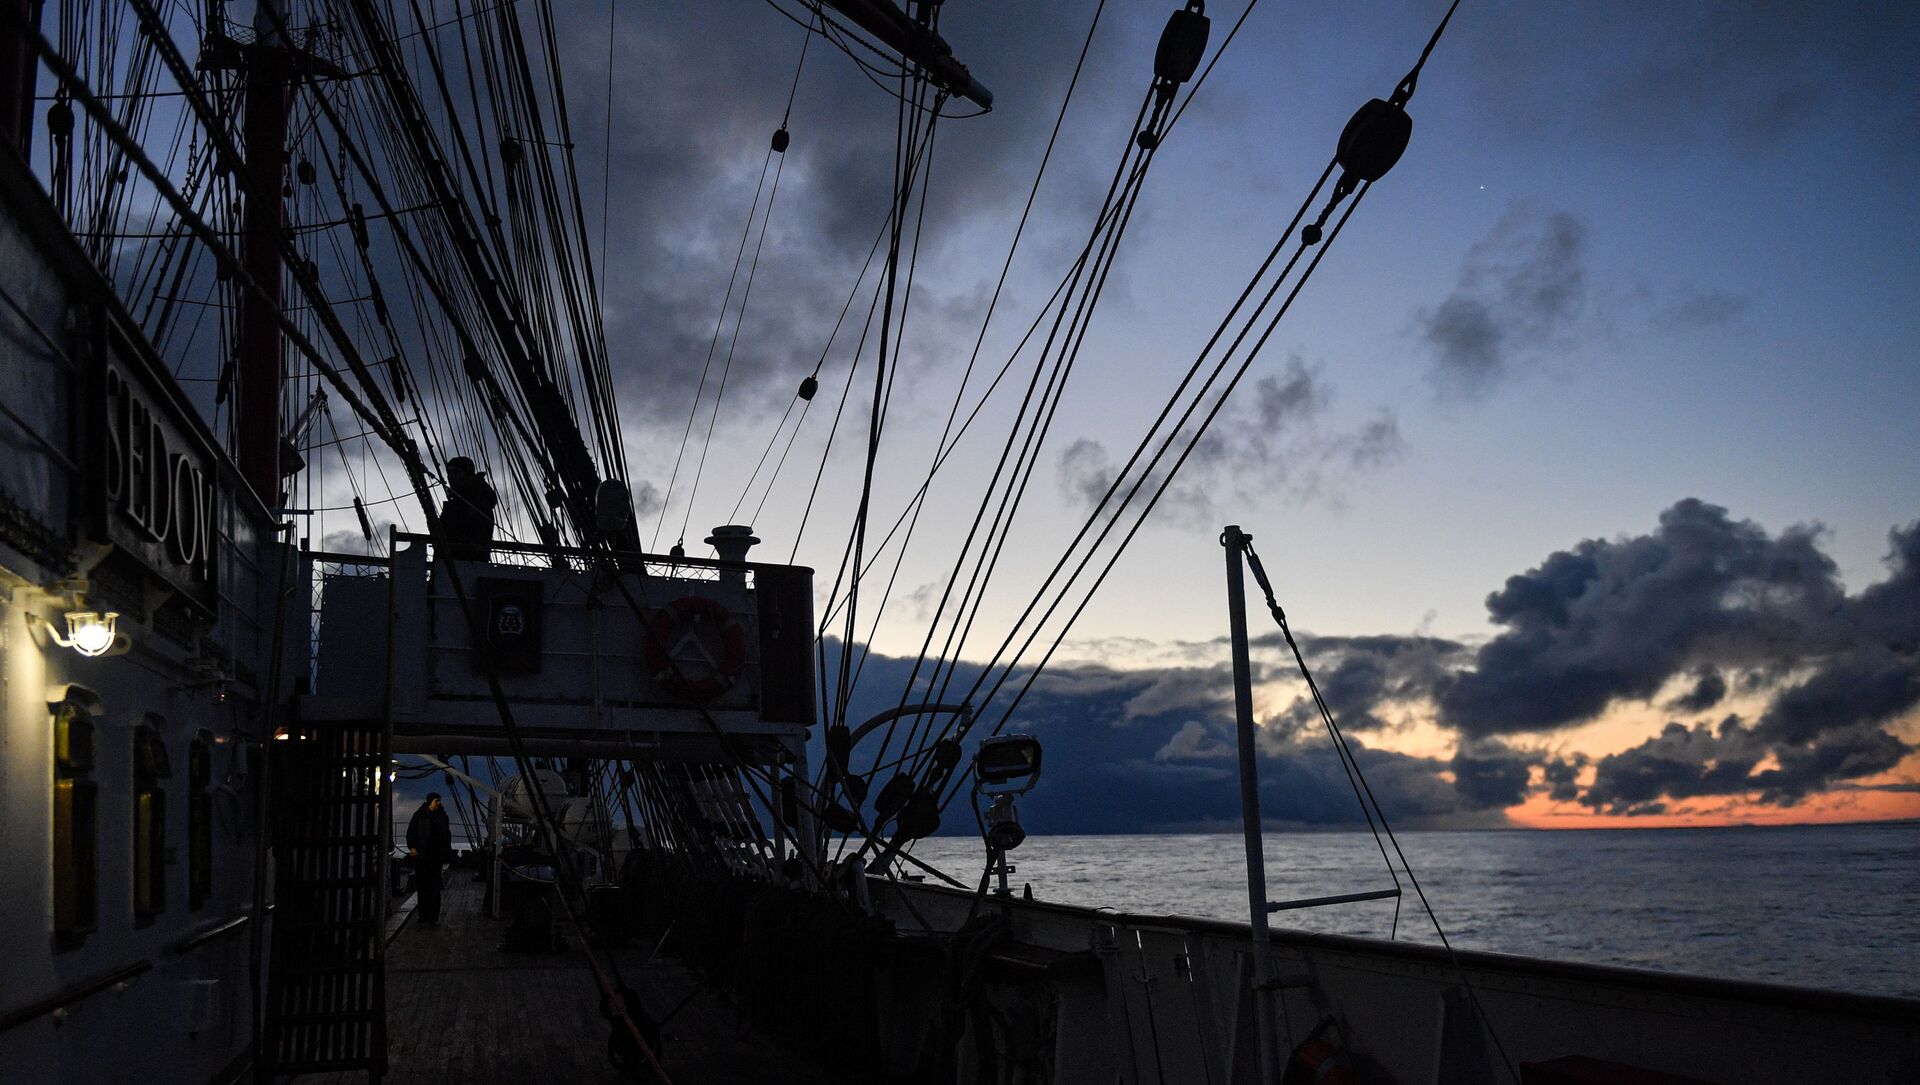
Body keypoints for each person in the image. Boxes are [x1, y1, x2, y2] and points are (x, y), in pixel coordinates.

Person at [406, 792, 454, 925]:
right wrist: (413, 848)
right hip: (423, 857)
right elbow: (411, 832)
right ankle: (423, 915)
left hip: (436, 857)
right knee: (422, 887)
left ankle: (433, 916)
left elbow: (446, 834)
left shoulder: (442, 816)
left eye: (439, 801)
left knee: (434, 887)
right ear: (430, 802)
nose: (439, 803)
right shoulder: (420, 815)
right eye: (436, 801)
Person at [439, 456, 497, 561]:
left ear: (467, 473)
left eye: (455, 472)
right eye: (449, 472)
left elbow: (462, 526)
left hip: (466, 561)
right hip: (457, 561)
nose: (451, 476)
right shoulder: (464, 498)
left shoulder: (477, 498)